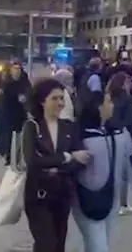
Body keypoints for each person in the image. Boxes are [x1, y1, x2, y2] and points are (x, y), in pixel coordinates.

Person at [22, 78, 91, 252]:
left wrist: (56, 165)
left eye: (62, 98)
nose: (60, 103)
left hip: (62, 194)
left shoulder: (69, 127)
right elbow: (32, 160)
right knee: (47, 244)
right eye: (54, 98)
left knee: (58, 245)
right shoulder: (32, 127)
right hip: (38, 195)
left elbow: (81, 160)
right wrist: (66, 157)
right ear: (42, 101)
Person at [73, 91, 132, 252]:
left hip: (111, 197)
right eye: (109, 101)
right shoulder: (78, 135)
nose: (113, 105)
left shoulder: (119, 131)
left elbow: (131, 157)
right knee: (99, 246)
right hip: (85, 199)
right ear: (98, 107)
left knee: (100, 243)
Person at [106, 72, 132, 214]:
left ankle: (113, 201)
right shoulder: (128, 100)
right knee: (124, 171)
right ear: (124, 83)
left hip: (109, 134)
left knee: (112, 170)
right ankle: (123, 203)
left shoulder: (109, 97)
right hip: (124, 136)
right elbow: (130, 121)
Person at [0, 62, 31, 165]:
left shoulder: (24, 81)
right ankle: (9, 156)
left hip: (21, 112)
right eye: (15, 69)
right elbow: (2, 97)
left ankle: (20, 156)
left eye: (18, 69)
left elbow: (30, 92)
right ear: (11, 70)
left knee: (22, 135)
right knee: (9, 135)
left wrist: (25, 98)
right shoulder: (7, 82)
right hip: (9, 112)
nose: (17, 71)